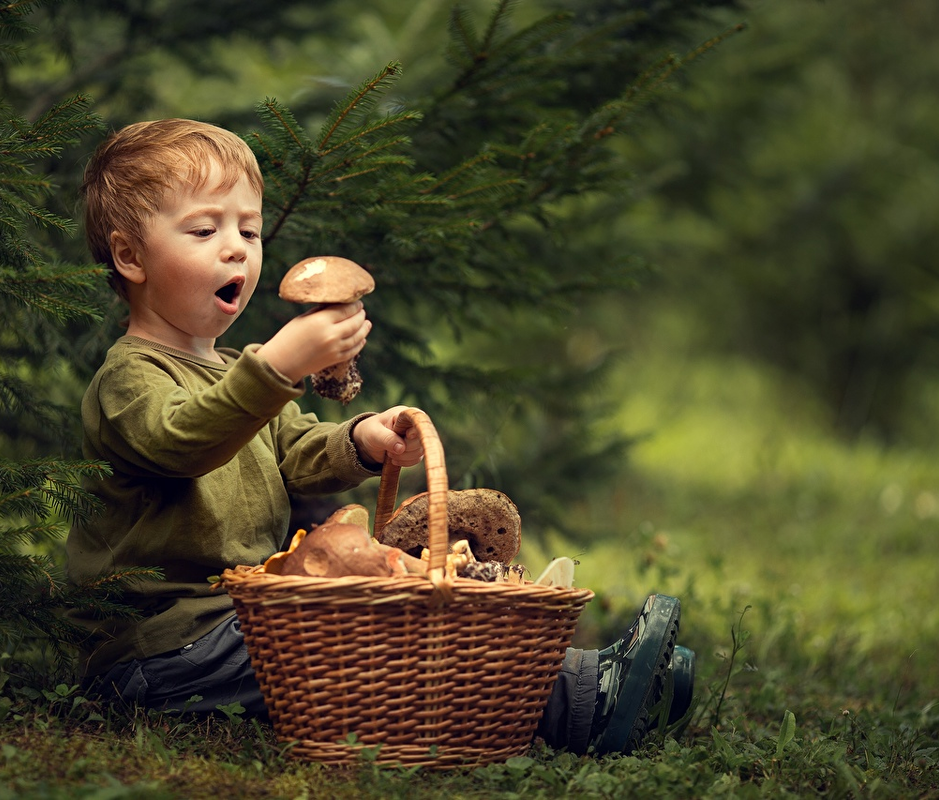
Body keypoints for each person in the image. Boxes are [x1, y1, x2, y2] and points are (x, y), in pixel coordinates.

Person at [65, 117, 695, 757]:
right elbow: (185, 442)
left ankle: (593, 680)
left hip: (238, 620)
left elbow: (296, 456)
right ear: (130, 256)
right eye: (205, 230)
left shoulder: (235, 371)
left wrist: (362, 441)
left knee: (376, 626)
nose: (237, 249)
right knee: (364, 648)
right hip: (161, 645)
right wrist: (280, 365)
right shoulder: (129, 379)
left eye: (249, 231)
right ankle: (582, 697)